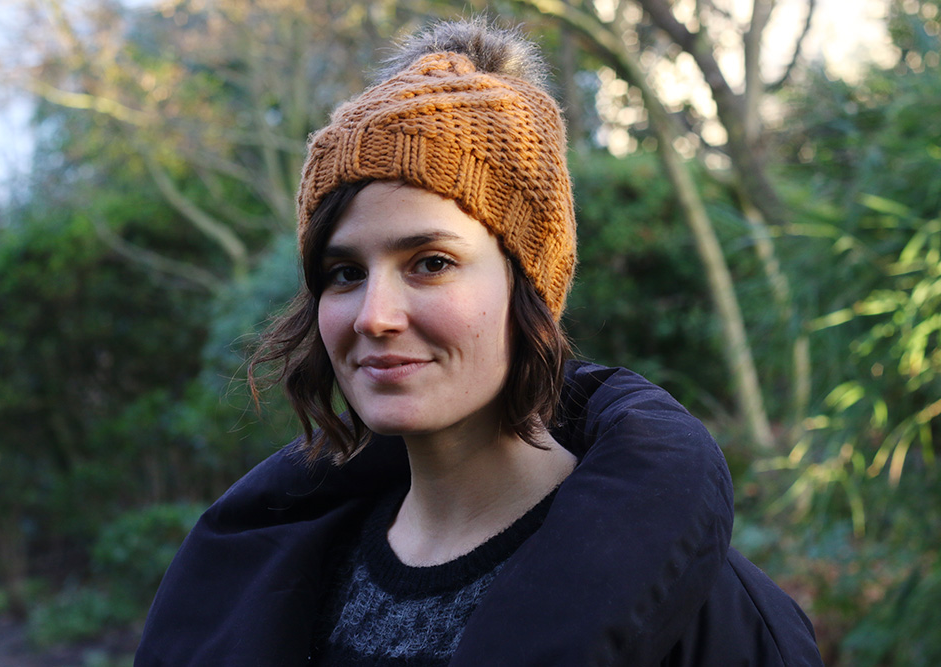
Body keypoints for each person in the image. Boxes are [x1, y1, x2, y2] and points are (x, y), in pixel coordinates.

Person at [135, 19, 823, 666]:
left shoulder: (716, 617)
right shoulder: (263, 579)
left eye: (430, 262)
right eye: (344, 273)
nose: (374, 316)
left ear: (531, 283)